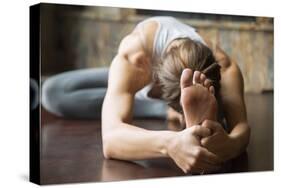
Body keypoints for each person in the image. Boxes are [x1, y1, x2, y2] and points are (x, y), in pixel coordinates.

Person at [42, 16, 250, 174]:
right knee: (52, 92)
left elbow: (242, 127)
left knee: (221, 118)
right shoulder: (135, 57)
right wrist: (170, 144)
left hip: (189, 89)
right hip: (138, 83)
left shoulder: (224, 66)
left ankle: (198, 121)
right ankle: (166, 112)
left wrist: (230, 144)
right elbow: (111, 139)